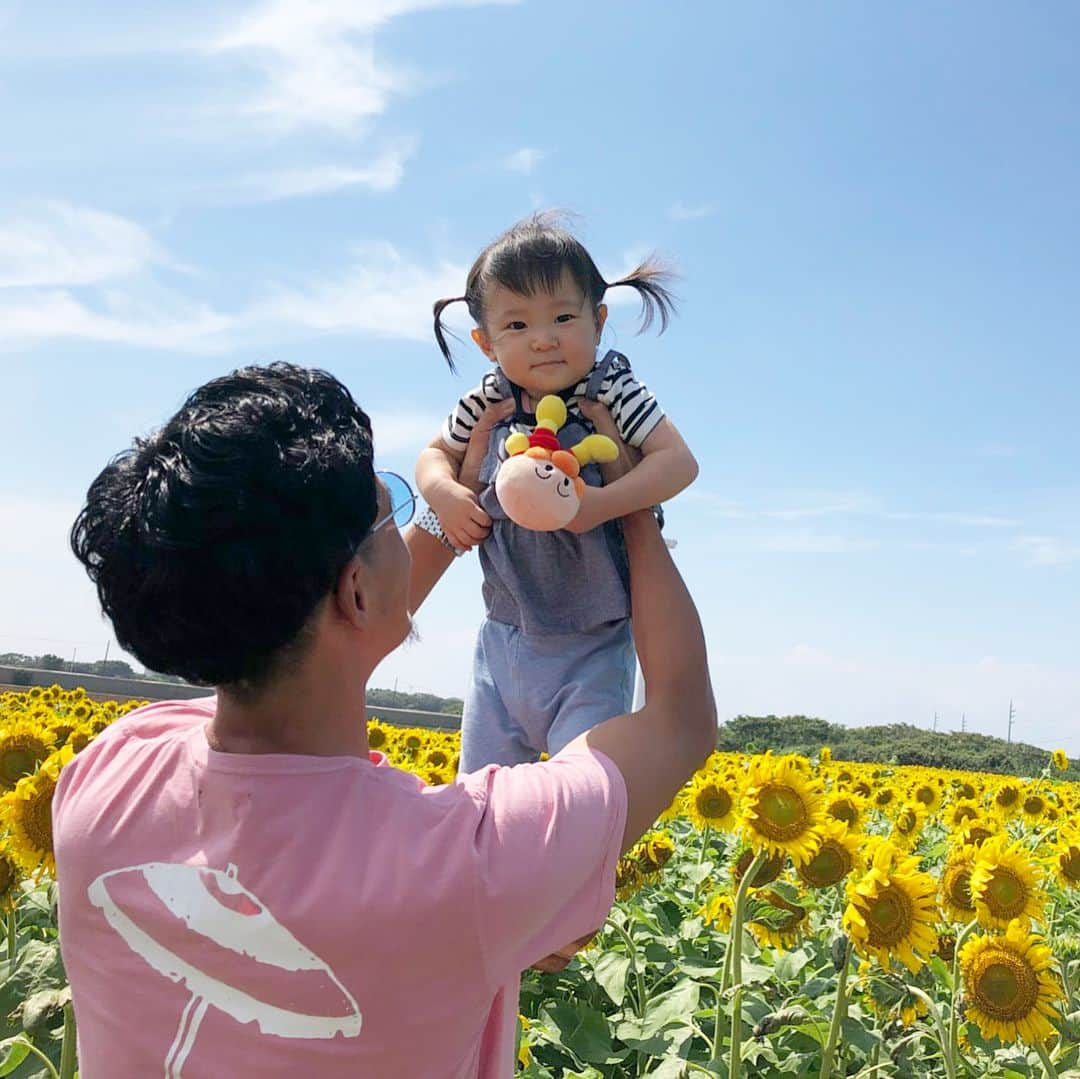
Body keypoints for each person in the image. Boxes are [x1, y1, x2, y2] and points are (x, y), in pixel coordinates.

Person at [55, 362, 715, 1078]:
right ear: (357, 588)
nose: (408, 524)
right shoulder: (471, 864)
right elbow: (680, 715)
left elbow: (325, 632)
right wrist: (630, 505)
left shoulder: (108, 771)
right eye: (390, 511)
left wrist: (454, 499)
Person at [416, 212, 699, 773]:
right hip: (503, 634)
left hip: (594, 642)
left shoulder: (611, 387)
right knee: (479, 792)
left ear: (598, 321)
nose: (543, 339)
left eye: (563, 317)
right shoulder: (489, 396)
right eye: (517, 326)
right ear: (486, 343)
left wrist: (600, 505)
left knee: (582, 795)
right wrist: (445, 494)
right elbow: (432, 456)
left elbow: (678, 464)